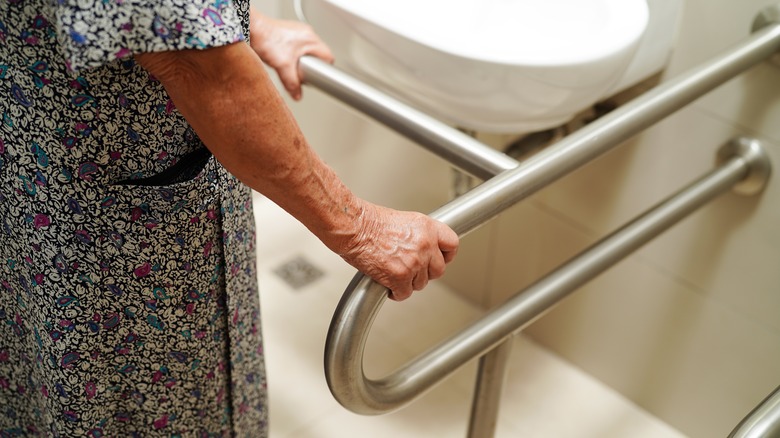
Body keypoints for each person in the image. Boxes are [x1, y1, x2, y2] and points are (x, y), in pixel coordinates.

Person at [0, 1, 458, 436]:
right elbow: (201, 67)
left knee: (42, 383)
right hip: (103, 232)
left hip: (34, 166)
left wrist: (248, 23)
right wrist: (362, 229)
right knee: (146, 409)